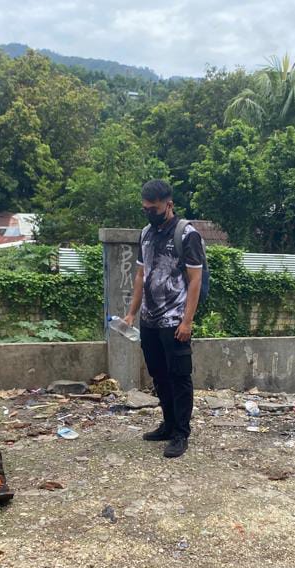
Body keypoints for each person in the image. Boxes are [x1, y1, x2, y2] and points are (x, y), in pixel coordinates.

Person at [122, 179, 205, 459]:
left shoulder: (186, 234)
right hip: (149, 321)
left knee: (179, 376)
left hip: (175, 322)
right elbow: (139, 275)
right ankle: (168, 425)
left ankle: (181, 433)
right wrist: (132, 312)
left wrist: (187, 321)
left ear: (168, 204)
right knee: (159, 375)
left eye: (153, 208)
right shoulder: (145, 233)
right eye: (144, 208)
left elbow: (195, 280)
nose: (148, 212)